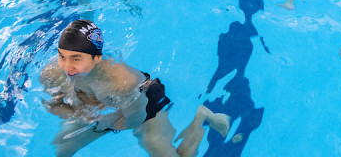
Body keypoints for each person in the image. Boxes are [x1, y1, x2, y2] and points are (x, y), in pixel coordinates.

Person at [39, 19, 231, 157]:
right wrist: (84, 115)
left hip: (146, 100)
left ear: (97, 59)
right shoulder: (52, 73)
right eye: (62, 56)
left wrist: (106, 121)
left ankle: (200, 118)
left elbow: (133, 119)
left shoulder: (120, 84)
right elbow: (53, 105)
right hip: (100, 105)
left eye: (76, 59)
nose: (67, 66)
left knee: (155, 146)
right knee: (62, 147)